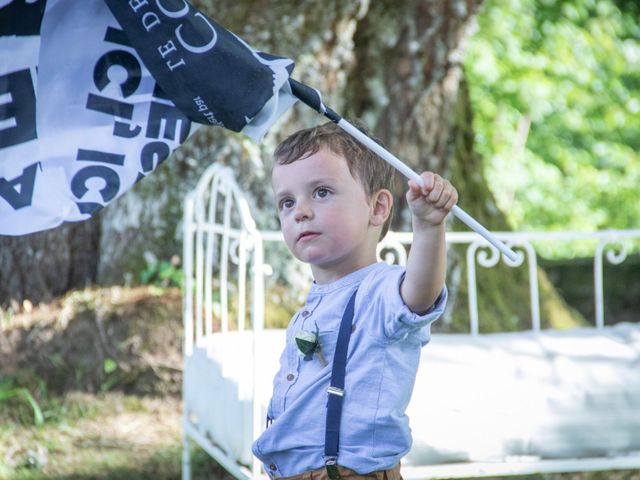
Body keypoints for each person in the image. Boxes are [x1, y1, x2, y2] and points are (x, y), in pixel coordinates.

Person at [252, 121, 458, 480]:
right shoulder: (313, 303)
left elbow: (420, 294)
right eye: (287, 202)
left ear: (377, 208)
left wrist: (427, 227)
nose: (300, 210)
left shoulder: (381, 292)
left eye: (321, 192)